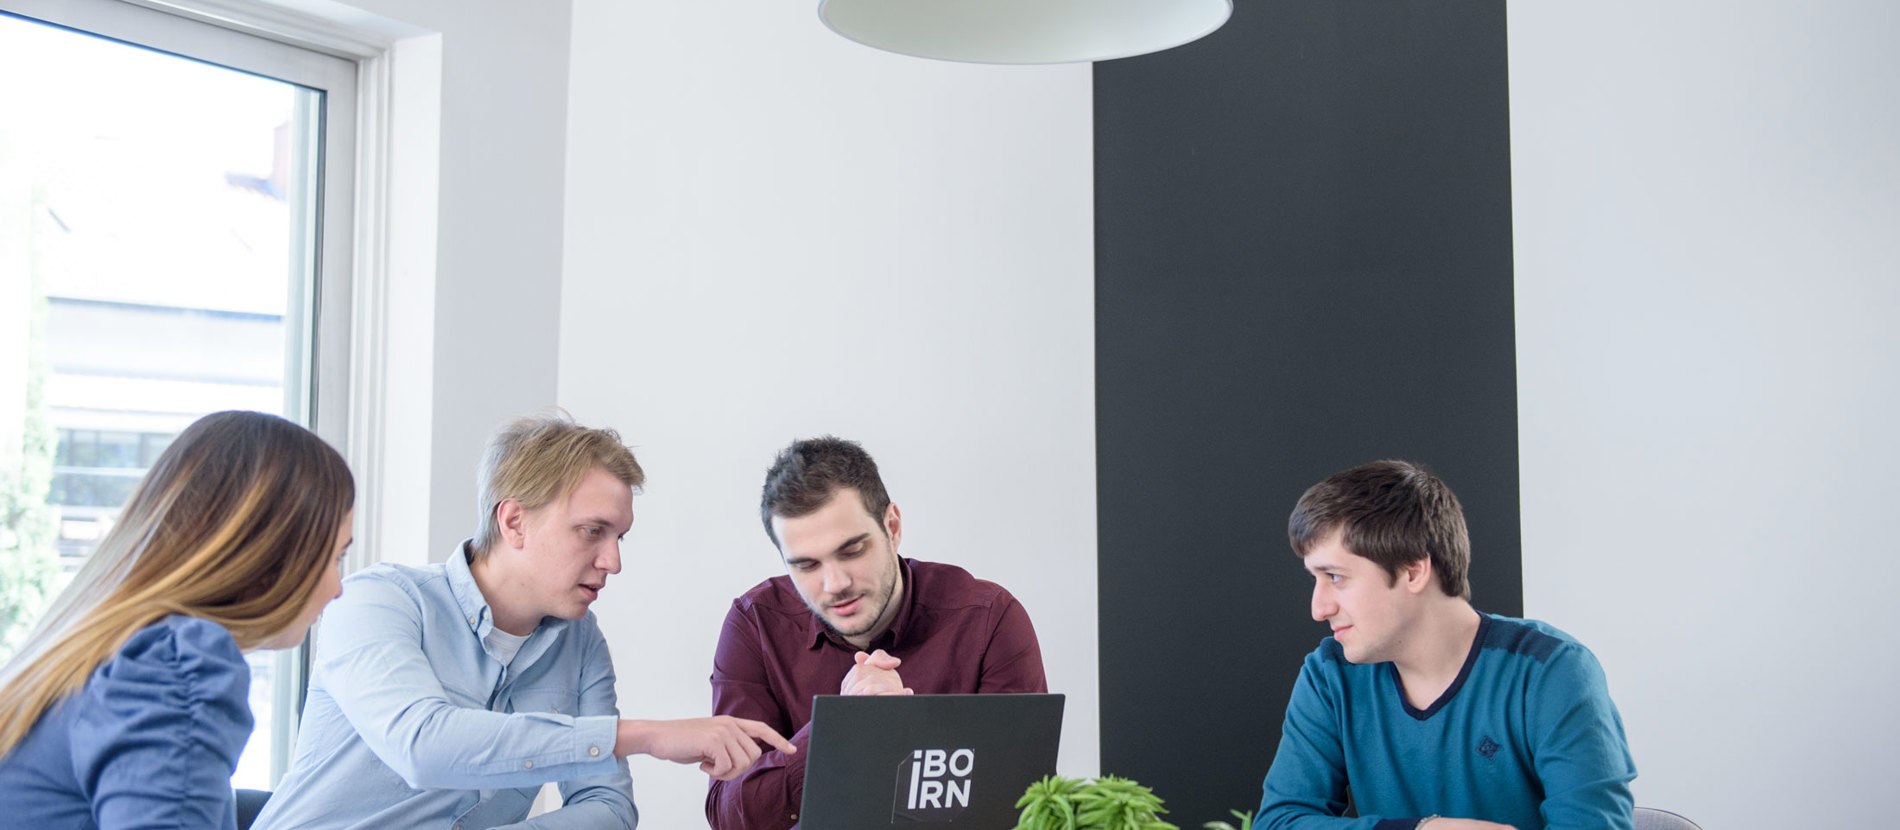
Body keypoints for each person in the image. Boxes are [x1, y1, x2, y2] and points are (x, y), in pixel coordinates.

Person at [258, 412, 792, 830]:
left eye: (619, 537)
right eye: (592, 531)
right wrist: (647, 736)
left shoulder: (579, 642)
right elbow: (422, 746)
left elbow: (608, 806)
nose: (613, 561)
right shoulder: (378, 601)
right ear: (513, 521)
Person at [0, 411, 355, 829]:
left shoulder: (98, 648)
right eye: (335, 557)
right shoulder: (175, 661)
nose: (338, 589)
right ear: (270, 555)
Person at [1256, 460, 1637, 830]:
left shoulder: (1551, 670)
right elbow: (1279, 821)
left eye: (1335, 577)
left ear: (1413, 571)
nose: (1319, 608)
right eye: (1315, 579)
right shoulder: (1331, 676)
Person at [705, 436, 1048, 829]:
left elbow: (1020, 807)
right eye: (806, 565)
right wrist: (838, 728)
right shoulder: (755, 625)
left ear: (892, 526)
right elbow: (730, 816)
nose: (834, 583)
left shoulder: (989, 619)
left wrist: (902, 729)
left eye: (852, 551)